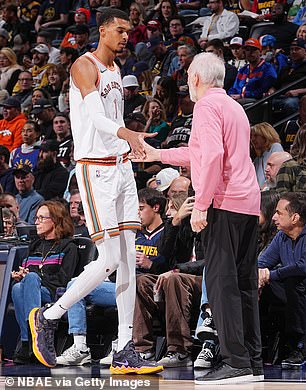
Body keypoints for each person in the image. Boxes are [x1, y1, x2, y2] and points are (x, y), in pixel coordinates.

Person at [28, 7, 163, 375]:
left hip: (120, 168)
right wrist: (127, 134)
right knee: (107, 260)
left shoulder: (118, 71)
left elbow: (113, 123)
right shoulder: (83, 66)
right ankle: (49, 317)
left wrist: (131, 145)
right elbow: (100, 119)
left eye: (127, 32)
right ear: (102, 30)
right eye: (119, 31)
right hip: (95, 170)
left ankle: (124, 348)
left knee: (128, 265)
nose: (125, 37)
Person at [131, 52, 262, 384]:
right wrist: (159, 154)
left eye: (188, 74)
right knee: (244, 284)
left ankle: (236, 362)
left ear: (197, 78)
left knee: (221, 286)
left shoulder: (205, 106)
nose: (186, 80)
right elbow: (200, 152)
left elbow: (213, 156)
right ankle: (252, 361)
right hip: (247, 203)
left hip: (223, 201)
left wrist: (201, 204)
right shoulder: (233, 106)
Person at [11, 201, 78, 364]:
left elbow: (64, 280)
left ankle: (33, 338)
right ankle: (29, 341)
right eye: (36, 218)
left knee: (31, 279)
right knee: (17, 287)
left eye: (41, 218)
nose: (36, 222)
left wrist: (33, 276)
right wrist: (22, 276)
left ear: (55, 220)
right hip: (32, 290)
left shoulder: (68, 247)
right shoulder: (35, 245)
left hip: (56, 294)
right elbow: (28, 275)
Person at [258, 192, 306, 369]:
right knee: (253, 284)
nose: (274, 217)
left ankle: (299, 348)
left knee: (294, 280)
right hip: (290, 292)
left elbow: (302, 266)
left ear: (295, 217)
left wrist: (271, 275)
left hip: (300, 288)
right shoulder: (282, 236)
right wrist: (259, 274)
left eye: (279, 213)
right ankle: (250, 346)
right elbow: (263, 262)